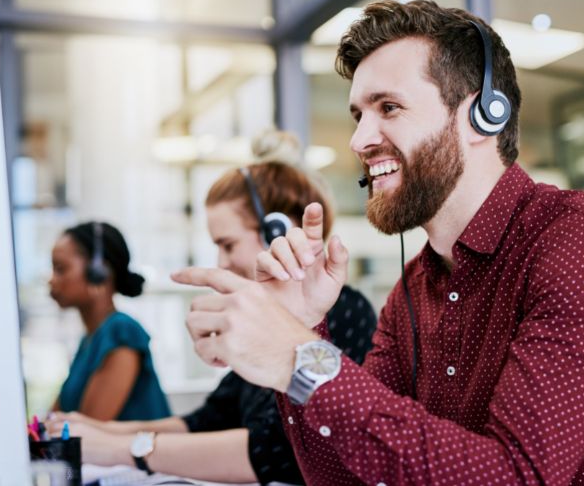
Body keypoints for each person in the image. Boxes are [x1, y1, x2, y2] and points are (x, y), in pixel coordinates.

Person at [172, 0, 584, 485]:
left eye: (388, 107)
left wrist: (301, 358)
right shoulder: (413, 289)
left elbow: (514, 477)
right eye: (358, 115)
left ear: (483, 114)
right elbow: (342, 479)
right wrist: (305, 329)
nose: (358, 140)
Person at [48, 157, 377, 484]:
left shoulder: (342, 311)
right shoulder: (267, 321)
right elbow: (207, 420)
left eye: (228, 245)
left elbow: (273, 452)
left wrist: (123, 448)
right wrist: (94, 431)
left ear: (278, 232)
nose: (222, 262)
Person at [50, 221, 171, 421]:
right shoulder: (89, 340)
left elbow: (87, 429)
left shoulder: (121, 331)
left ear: (99, 272)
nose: (52, 280)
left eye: (60, 269)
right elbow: (52, 422)